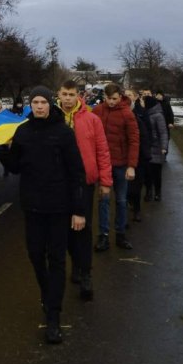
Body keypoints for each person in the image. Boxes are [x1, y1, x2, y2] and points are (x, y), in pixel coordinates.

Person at [6, 86, 86, 344]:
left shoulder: (63, 133)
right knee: (35, 255)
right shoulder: (22, 132)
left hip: (59, 207)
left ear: (51, 104)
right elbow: (16, 167)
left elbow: (76, 173)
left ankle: (54, 316)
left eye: (43, 102)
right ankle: (47, 292)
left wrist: (79, 210)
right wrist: (1, 153)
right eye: (35, 102)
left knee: (57, 259)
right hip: (32, 206)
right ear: (30, 105)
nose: (39, 106)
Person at [57, 80, 111, 302]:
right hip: (58, 184)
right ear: (58, 95)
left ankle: (86, 272)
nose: (68, 98)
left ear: (78, 95)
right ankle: (76, 265)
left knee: (83, 228)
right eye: (64, 94)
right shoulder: (53, 119)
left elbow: (102, 150)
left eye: (71, 94)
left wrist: (105, 182)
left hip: (84, 183)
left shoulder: (91, 119)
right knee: (66, 229)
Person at [92, 84, 140, 251]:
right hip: (103, 164)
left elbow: (134, 140)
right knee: (103, 200)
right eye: (108, 98)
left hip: (120, 164)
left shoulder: (127, 114)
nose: (111, 102)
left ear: (120, 97)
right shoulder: (97, 111)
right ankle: (103, 235)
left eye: (114, 99)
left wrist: (131, 165)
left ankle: (120, 234)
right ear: (104, 96)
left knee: (120, 200)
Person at [124, 88, 152, 221]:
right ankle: (124, 216)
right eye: (126, 95)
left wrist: (147, 154)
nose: (127, 98)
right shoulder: (121, 115)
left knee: (136, 187)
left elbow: (147, 135)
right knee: (126, 189)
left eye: (130, 95)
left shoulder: (140, 114)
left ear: (135, 98)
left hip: (139, 157)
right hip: (124, 157)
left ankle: (137, 210)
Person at [143, 94, 170, 201]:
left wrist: (164, 147)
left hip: (157, 148)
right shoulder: (146, 114)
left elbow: (163, 132)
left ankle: (158, 192)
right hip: (148, 148)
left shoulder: (158, 115)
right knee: (147, 174)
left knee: (156, 174)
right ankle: (149, 191)